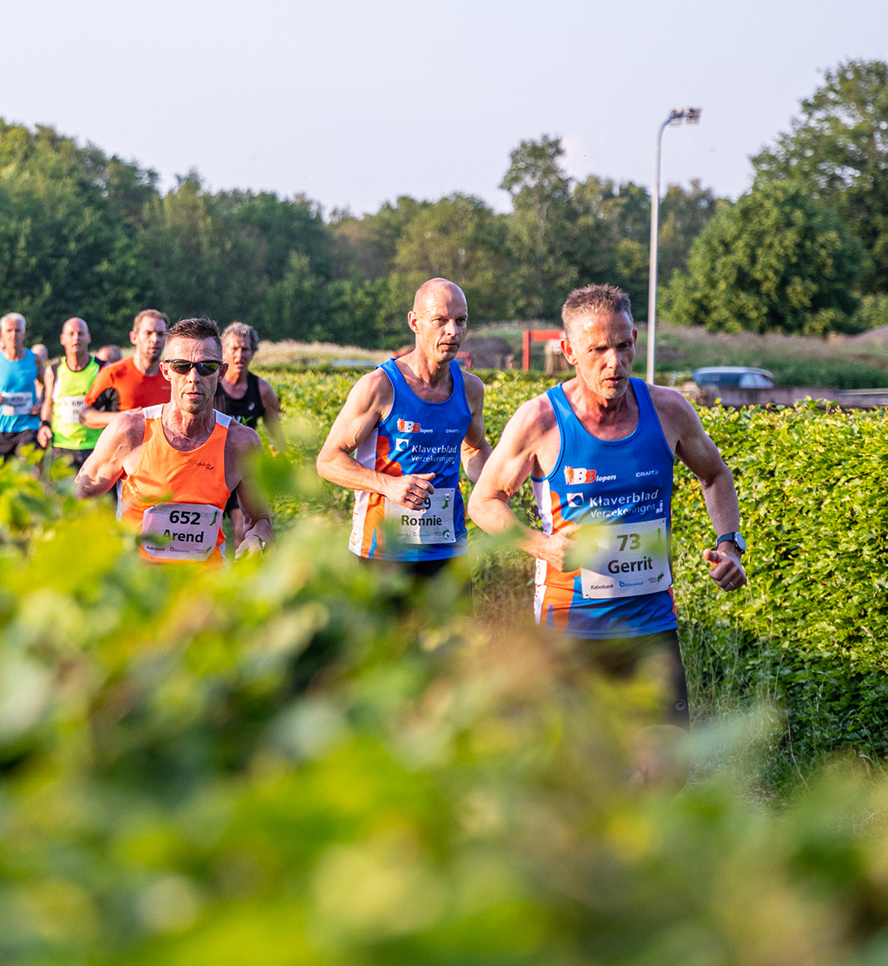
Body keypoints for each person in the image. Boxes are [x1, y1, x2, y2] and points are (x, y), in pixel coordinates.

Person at [467, 284, 749, 726]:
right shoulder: (540, 420)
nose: (613, 362)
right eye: (597, 350)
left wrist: (730, 544)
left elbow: (715, 475)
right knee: (581, 766)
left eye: (622, 346)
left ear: (635, 339)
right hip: (570, 630)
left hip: (651, 627)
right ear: (569, 351)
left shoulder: (668, 410)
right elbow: (484, 502)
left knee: (665, 759)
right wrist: (541, 546)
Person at [316, 279, 492, 585]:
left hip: (448, 550)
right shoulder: (379, 386)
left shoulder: (470, 388)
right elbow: (328, 461)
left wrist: (495, 486)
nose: (453, 331)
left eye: (460, 320)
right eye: (440, 320)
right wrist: (388, 485)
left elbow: (474, 448)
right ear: (415, 322)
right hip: (383, 553)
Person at [74, 317, 272, 564]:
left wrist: (257, 541)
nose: (193, 377)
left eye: (206, 367)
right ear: (166, 371)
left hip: (205, 584)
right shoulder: (130, 431)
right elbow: (77, 498)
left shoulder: (240, 442)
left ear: (221, 372)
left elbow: (261, 521)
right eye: (181, 366)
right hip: (136, 583)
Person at [84, 309, 171, 430]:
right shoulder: (112, 373)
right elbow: (85, 414)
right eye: (148, 333)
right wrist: (124, 418)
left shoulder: (173, 375)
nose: (155, 339)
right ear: (134, 337)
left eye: (161, 334)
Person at [41, 317, 103, 473]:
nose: (76, 338)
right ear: (63, 339)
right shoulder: (53, 371)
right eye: (71, 334)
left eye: (81, 333)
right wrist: (44, 425)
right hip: (62, 446)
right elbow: (48, 403)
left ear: (89, 337)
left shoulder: (102, 369)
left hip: (96, 446)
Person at [0, 312, 46, 458]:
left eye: (17, 330)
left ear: (24, 334)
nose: (13, 335)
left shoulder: (35, 359)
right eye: (9, 331)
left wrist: (41, 401)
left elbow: (45, 384)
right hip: (1, 427)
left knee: (25, 466)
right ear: (2, 335)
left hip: (28, 425)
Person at [214, 322, 284, 449]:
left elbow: (276, 438)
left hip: (246, 457)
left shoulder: (262, 390)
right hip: (212, 455)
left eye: (245, 349)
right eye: (234, 349)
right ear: (223, 351)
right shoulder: (211, 385)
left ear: (253, 352)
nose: (240, 355)